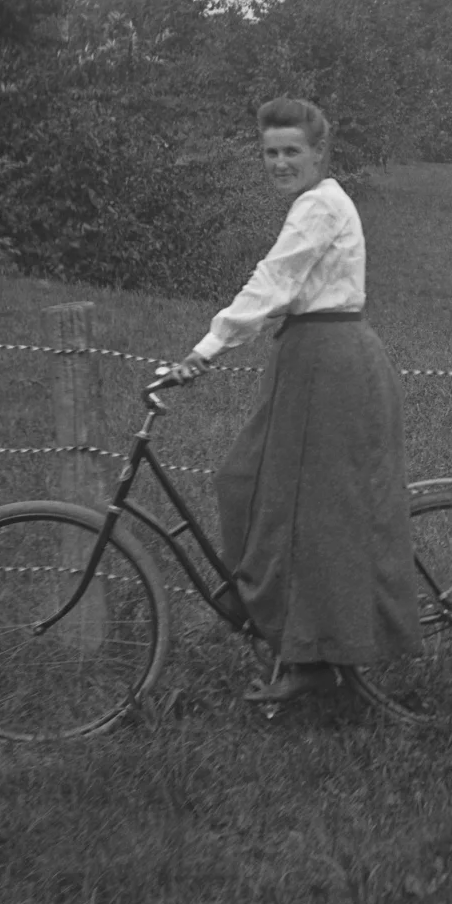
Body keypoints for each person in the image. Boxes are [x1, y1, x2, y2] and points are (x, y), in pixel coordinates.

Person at [167, 98, 418, 703]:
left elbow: (274, 280)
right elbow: (283, 290)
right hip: (308, 358)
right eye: (270, 152)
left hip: (330, 365)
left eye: (291, 152)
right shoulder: (315, 204)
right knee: (246, 483)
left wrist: (206, 349)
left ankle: (317, 665)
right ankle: (294, 642)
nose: (280, 162)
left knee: (319, 515)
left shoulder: (320, 206)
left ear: (318, 153)